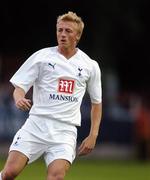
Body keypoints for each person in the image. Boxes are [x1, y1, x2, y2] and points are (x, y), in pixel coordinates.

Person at [0, 11, 102, 180]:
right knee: (10, 173)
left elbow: (96, 103)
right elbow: (19, 87)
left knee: (56, 177)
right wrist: (19, 98)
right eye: (59, 30)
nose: (62, 34)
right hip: (36, 125)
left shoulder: (90, 66)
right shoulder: (41, 57)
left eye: (68, 31)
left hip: (65, 131)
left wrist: (93, 135)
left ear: (78, 36)